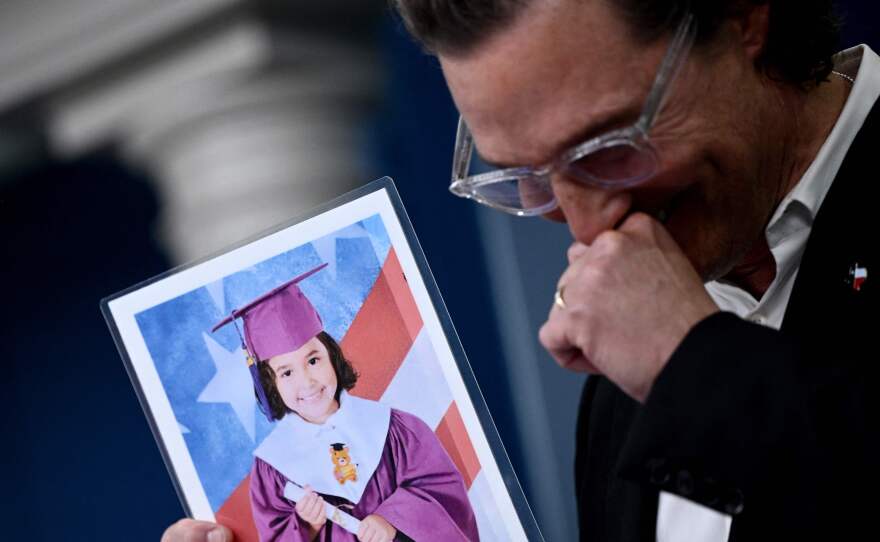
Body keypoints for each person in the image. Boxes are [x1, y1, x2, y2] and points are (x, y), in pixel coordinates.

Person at [165, 0, 879, 540]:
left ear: (738, 18)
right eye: (528, 178)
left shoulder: (669, 355)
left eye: (609, 147)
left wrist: (693, 369)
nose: (591, 226)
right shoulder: (623, 378)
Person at [170, 263, 478, 542]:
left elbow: (444, 494)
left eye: (313, 360)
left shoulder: (397, 429)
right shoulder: (272, 468)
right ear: (270, 385)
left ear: (333, 357)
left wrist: (393, 518)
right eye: (286, 372)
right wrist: (306, 525)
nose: (306, 382)